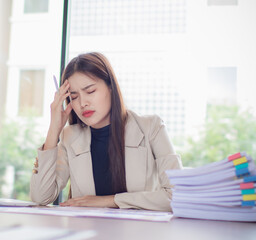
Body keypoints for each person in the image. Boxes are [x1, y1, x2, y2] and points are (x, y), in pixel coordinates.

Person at [30, 52, 182, 211]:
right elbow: (41, 197)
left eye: (90, 91)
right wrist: (54, 130)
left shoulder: (151, 127)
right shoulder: (70, 136)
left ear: (110, 87)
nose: (83, 103)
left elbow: (176, 195)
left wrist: (109, 201)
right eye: (74, 97)